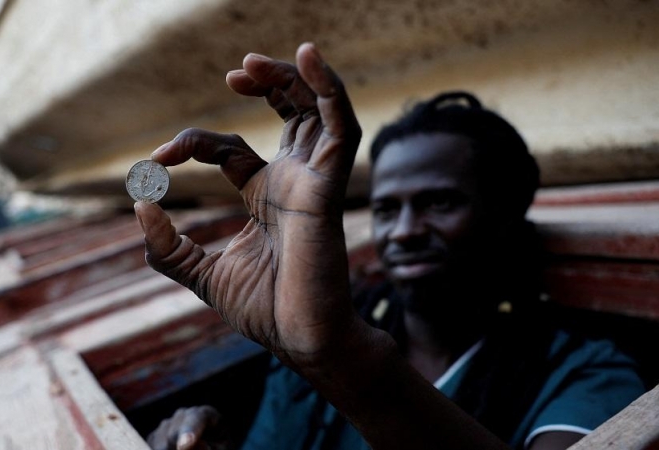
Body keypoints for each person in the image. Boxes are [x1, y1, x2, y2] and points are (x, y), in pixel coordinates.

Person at [134, 43, 644, 450]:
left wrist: (339, 359)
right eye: (385, 209)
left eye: (439, 203)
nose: (402, 230)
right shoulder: (314, 328)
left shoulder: (584, 374)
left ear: (507, 217)